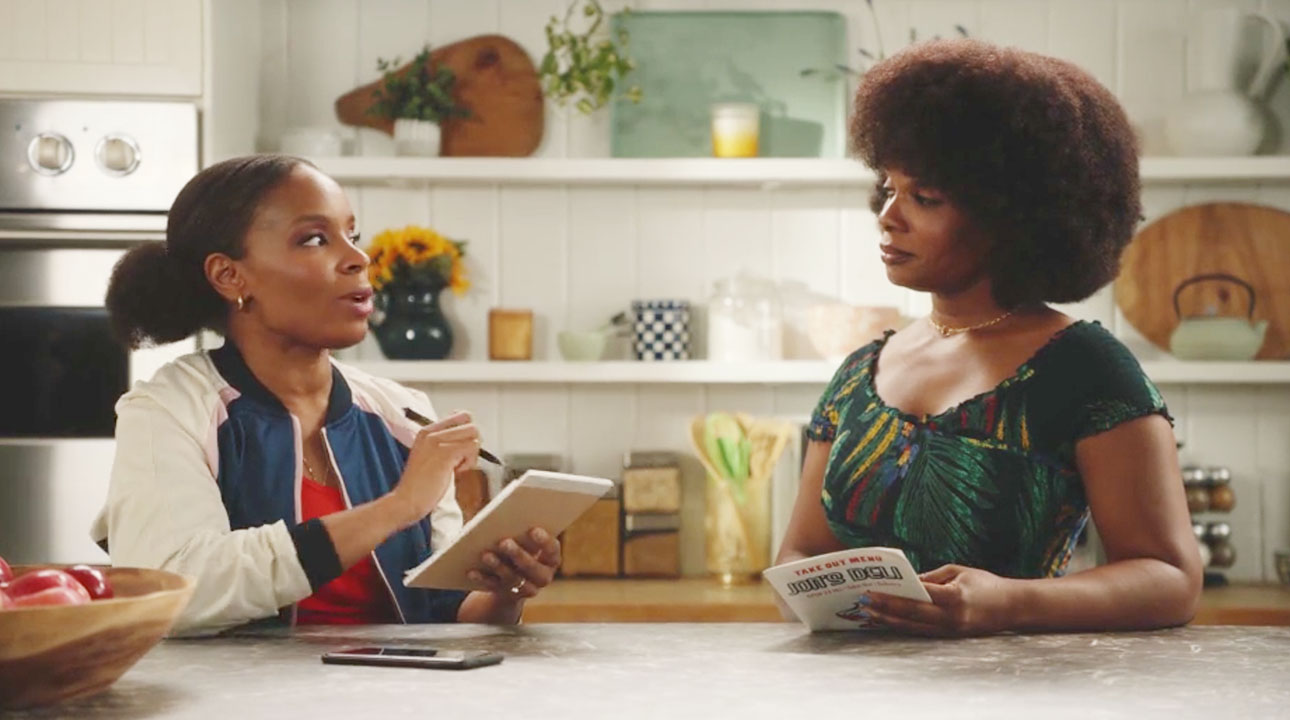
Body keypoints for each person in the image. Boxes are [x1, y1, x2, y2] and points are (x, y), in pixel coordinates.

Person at [776, 39, 1201, 636]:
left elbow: (1170, 578)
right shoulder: (861, 371)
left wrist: (1007, 603)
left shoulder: (1086, 368)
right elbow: (799, 555)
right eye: (888, 188)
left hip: (1012, 681)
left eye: (925, 197)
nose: (888, 216)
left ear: (1011, 215)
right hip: (855, 682)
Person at [92, 155, 560, 635]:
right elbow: (172, 588)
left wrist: (504, 592)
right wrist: (397, 507)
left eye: (352, 235)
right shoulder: (168, 409)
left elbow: (443, 611)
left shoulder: (404, 414)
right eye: (314, 239)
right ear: (230, 276)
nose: (359, 258)